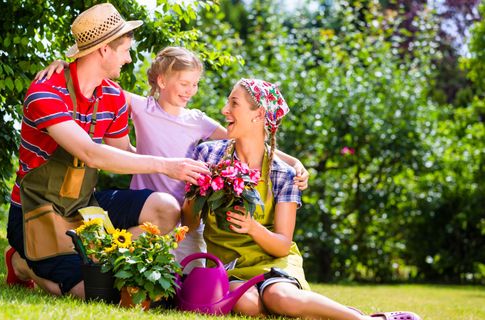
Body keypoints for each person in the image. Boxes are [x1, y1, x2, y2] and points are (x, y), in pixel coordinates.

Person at [182, 78, 424, 320]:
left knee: (280, 297)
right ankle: (302, 312)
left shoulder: (282, 173)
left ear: (259, 114)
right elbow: (190, 222)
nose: (224, 110)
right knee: (247, 305)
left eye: (233, 103)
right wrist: (195, 196)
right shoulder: (209, 156)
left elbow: (282, 244)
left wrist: (252, 228)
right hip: (229, 265)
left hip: (273, 260)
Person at [35, 47, 309, 267]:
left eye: (195, 84)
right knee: (134, 271)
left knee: (187, 284)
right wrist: (61, 65)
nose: (190, 90)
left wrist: (292, 162)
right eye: (184, 83)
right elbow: (96, 77)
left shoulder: (198, 121)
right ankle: (92, 256)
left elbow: (247, 137)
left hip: (187, 221)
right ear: (162, 80)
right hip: (145, 214)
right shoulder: (142, 107)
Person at [5, 3, 210, 299]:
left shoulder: (112, 96)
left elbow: (122, 153)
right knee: (95, 293)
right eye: (125, 49)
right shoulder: (46, 93)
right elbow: (90, 153)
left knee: (166, 209)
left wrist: (176, 168)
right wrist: (165, 165)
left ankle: (100, 256)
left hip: (84, 205)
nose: (128, 59)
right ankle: (22, 263)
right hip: (35, 211)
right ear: (103, 50)